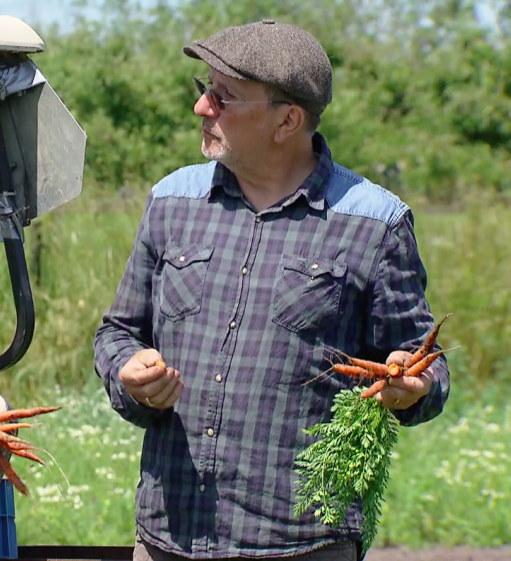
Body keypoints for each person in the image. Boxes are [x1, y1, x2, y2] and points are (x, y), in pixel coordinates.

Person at [92, 19, 450, 561]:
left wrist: (411, 387)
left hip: (304, 544)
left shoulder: (373, 222)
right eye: (204, 89)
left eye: (223, 96)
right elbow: (118, 332)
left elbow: (427, 366)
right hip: (170, 537)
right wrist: (128, 374)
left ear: (287, 119)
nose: (202, 108)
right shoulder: (173, 201)